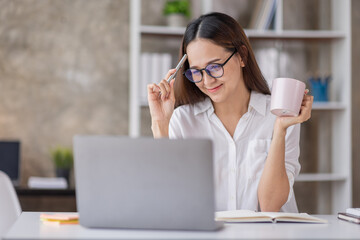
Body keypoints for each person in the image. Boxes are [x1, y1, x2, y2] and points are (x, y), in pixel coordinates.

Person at [147, 12, 313, 213]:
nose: (207, 82)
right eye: (197, 72)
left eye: (215, 67)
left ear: (241, 56)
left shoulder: (280, 115)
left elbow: (271, 205)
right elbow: (171, 201)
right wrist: (160, 125)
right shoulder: (182, 120)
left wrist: (279, 130)